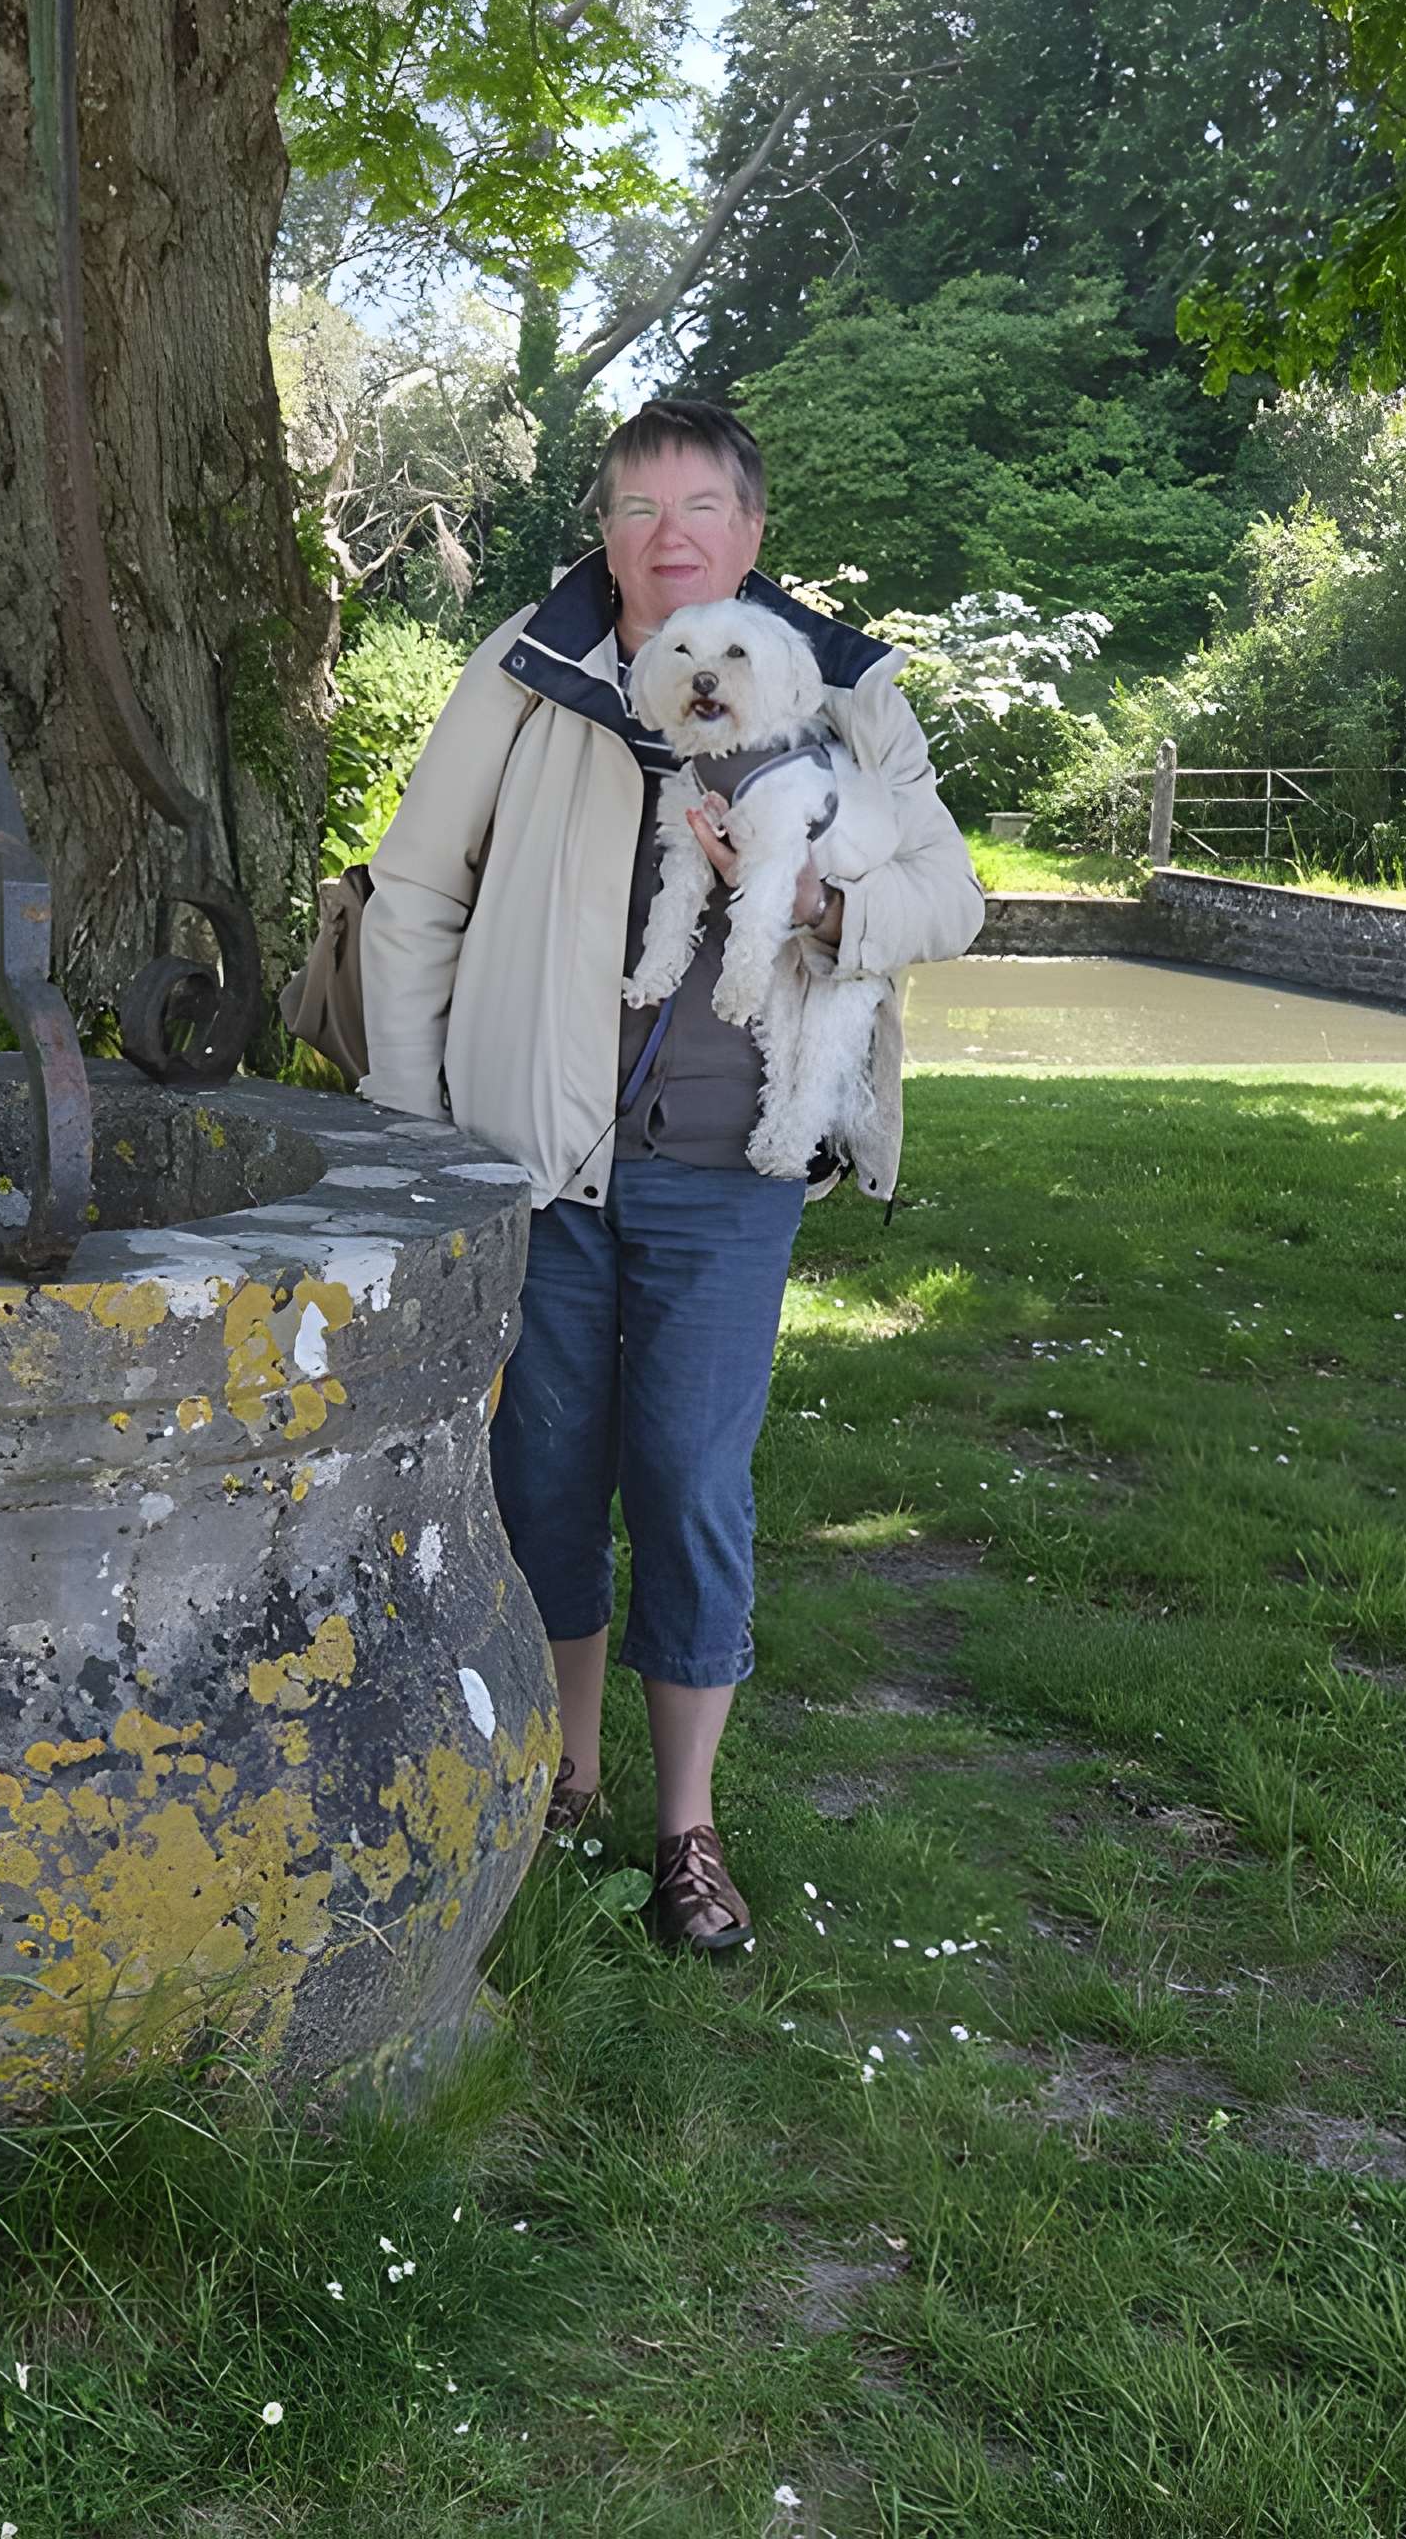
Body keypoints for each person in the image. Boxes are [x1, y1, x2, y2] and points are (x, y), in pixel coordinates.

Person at [356, 398, 987, 1953]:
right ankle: (562, 1773)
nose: (669, 534)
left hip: (728, 1171)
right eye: (637, 508)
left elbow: (952, 894)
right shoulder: (530, 671)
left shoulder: (846, 693)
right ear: (608, 534)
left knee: (694, 1484)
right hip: (534, 1161)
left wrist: (823, 915)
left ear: (754, 536)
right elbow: (415, 895)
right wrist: (413, 1123)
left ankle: (684, 1826)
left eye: (701, 505)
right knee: (543, 1474)